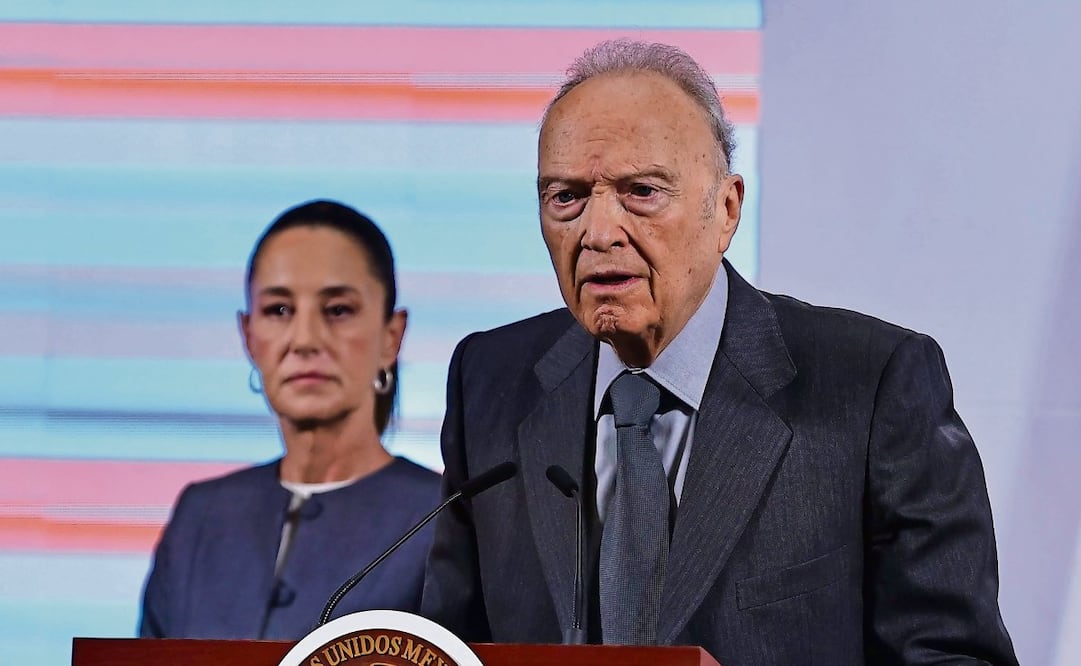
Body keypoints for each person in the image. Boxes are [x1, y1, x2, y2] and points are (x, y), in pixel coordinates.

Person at [421, 40, 1018, 664]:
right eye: (565, 197)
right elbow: (441, 647)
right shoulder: (488, 381)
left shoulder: (872, 386)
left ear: (726, 209)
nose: (598, 233)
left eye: (642, 192)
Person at [140, 200, 440, 640]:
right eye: (278, 310)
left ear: (391, 336)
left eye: (338, 310)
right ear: (248, 337)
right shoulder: (201, 516)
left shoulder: (444, 519)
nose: (304, 339)